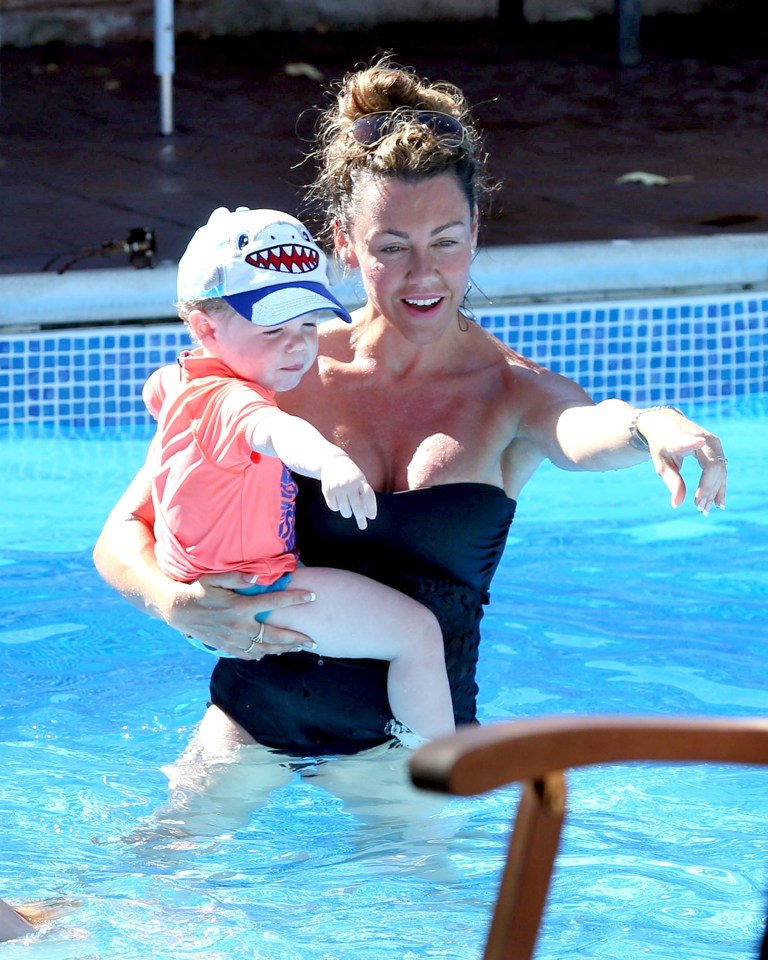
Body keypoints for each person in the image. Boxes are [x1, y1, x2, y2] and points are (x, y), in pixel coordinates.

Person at [93, 55, 727, 777]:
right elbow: (124, 532)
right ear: (343, 242)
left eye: (446, 243)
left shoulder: (509, 390)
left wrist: (650, 424)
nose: (423, 276)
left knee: (414, 893)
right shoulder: (281, 369)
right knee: (143, 880)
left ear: (476, 230)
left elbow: (583, 433)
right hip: (255, 717)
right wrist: (174, 603)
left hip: (417, 755)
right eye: (391, 249)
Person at [140, 204, 455, 748]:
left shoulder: (178, 381)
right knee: (417, 635)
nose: (298, 345)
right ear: (206, 327)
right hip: (262, 590)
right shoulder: (233, 400)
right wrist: (330, 461)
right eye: (274, 327)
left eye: (308, 324)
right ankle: (437, 762)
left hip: (205, 586)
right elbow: (274, 432)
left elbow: (160, 401)